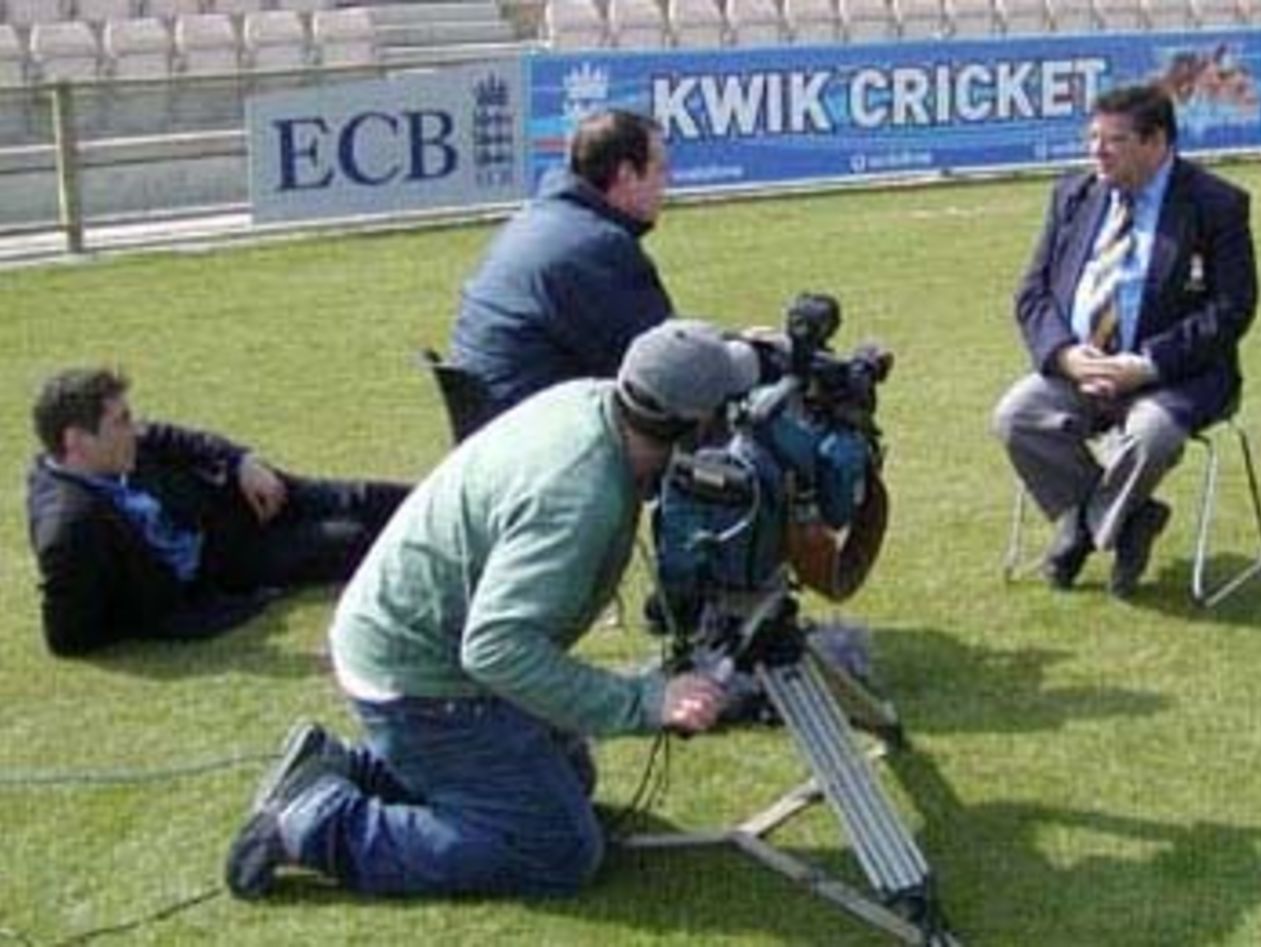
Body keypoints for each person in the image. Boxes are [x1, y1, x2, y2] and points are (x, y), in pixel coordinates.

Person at [225, 320, 761, 900]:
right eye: (724, 410)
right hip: (421, 679)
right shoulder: (578, 496)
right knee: (556, 849)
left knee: (569, 778)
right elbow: (496, 650)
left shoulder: (595, 404)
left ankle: (343, 768)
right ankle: (316, 824)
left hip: (406, 642)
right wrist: (644, 701)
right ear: (689, 426)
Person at [992, 83, 1258, 599]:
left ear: (1156, 142)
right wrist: (1065, 356)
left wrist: (1148, 365)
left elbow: (1232, 309)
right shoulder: (1073, 194)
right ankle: (1131, 519)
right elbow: (1032, 293)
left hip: (1173, 377)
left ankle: (1085, 529)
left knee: (1154, 435)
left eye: (1113, 140)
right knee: (1015, 416)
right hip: (1080, 368)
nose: (1096, 150)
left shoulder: (1216, 204)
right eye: (1092, 137)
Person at [27, 367, 411, 657]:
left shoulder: (116, 453)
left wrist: (241, 461)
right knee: (353, 541)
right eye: (121, 422)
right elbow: (66, 637)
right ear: (75, 441)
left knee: (363, 497)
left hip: (237, 496)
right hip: (230, 562)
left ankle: (462, 507)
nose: (134, 429)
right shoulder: (69, 525)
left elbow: (175, 438)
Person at [448, 108, 673, 422]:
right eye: (660, 170)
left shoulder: (533, 221)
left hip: (494, 428)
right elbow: (667, 365)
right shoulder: (599, 247)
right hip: (542, 438)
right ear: (626, 175)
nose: (666, 183)